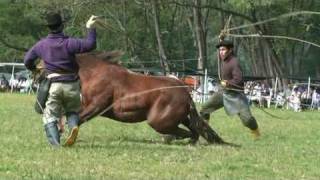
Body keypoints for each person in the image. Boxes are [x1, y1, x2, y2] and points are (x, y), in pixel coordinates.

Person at [24, 12, 99, 147]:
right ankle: (73, 125)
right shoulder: (70, 43)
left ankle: (56, 145)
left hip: (53, 85)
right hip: (72, 85)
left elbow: (27, 60)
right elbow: (90, 44)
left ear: (49, 27)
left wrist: (34, 68)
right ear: (62, 26)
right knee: (72, 110)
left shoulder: (41, 45)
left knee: (50, 116)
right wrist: (90, 27)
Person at [199, 39, 260, 139]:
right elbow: (222, 44)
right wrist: (221, 38)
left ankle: (256, 131)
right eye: (220, 50)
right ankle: (205, 132)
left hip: (236, 95)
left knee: (247, 120)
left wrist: (228, 82)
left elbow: (239, 79)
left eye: (223, 50)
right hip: (224, 92)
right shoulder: (223, 59)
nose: (220, 52)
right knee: (204, 109)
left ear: (230, 50)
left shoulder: (234, 62)